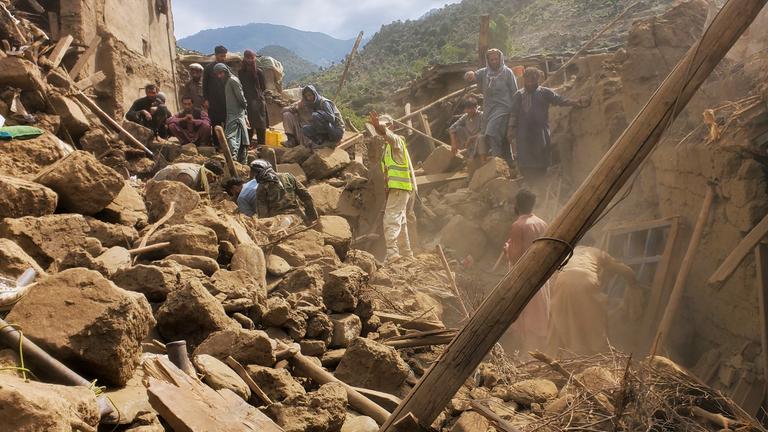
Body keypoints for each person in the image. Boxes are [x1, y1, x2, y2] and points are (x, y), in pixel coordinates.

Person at [546, 246, 637, 356]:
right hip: (586, 280)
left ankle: (559, 355)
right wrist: (634, 285)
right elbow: (624, 270)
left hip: (562, 281)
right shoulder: (597, 252)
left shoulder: (568, 254)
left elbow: (552, 278)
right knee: (596, 322)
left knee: (560, 319)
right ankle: (598, 355)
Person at [509, 67, 587, 187]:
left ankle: (541, 183)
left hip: (540, 131)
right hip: (523, 133)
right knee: (525, 158)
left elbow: (560, 100)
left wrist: (575, 102)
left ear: (538, 80)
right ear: (524, 79)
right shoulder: (518, 95)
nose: (531, 82)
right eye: (528, 80)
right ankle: (530, 184)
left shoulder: (545, 92)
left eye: (534, 80)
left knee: (541, 156)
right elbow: (513, 114)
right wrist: (511, 129)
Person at [501, 189, 551, 354]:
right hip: (540, 275)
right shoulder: (542, 223)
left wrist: (507, 248)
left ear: (517, 205)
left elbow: (515, 257)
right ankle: (540, 352)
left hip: (523, 277)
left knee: (526, 315)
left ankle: (529, 357)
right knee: (540, 313)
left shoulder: (518, 225)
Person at [369, 112, 416, 262]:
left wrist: (379, 128)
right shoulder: (387, 149)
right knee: (400, 221)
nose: (382, 129)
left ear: (392, 127)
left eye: (385, 125)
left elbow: (388, 135)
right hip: (398, 189)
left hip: (400, 187)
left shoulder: (397, 142)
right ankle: (407, 253)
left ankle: (393, 254)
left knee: (390, 220)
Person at [464, 49, 518, 169]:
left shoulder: (507, 72)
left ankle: (497, 162)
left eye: (496, 59)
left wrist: (515, 110)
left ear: (500, 59)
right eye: (491, 59)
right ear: (488, 60)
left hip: (504, 108)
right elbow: (471, 77)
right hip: (489, 110)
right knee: (502, 136)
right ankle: (508, 161)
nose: (494, 61)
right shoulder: (484, 72)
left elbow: (515, 91)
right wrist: (469, 74)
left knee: (492, 132)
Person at [251, 159, 318, 223]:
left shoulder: (261, 188)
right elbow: (306, 196)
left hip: (278, 221)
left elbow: (263, 214)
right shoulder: (288, 176)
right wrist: (312, 218)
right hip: (298, 217)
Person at [213, 63, 250, 163]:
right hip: (232, 113)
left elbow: (241, 98)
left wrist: (244, 110)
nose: (219, 76)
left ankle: (235, 159)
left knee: (231, 136)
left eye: (221, 73)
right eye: (218, 74)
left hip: (236, 113)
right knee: (238, 137)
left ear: (225, 71)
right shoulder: (228, 81)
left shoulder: (233, 81)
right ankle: (238, 160)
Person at [239, 49, 269, 146]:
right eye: (251, 58)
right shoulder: (257, 72)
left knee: (250, 127)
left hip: (252, 103)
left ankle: (246, 149)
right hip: (255, 102)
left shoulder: (241, 72)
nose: (252, 60)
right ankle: (261, 148)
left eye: (253, 58)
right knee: (259, 127)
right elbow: (263, 87)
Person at [449, 95, 484, 172]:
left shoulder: (481, 115)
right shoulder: (466, 117)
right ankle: (468, 152)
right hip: (470, 143)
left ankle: (482, 159)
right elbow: (452, 128)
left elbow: (484, 131)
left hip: (480, 141)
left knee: (481, 137)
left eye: (471, 108)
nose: (469, 111)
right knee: (458, 129)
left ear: (476, 107)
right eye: (467, 109)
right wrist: (453, 143)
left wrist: (471, 138)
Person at [203, 46, 228, 141]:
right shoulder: (209, 68)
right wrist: (206, 99)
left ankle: (227, 145)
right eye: (221, 56)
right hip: (213, 102)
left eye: (225, 56)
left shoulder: (227, 68)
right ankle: (217, 145)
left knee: (227, 124)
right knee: (215, 123)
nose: (223, 58)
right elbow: (205, 85)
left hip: (225, 101)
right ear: (216, 55)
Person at [153, 160, 224, 191]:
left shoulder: (200, 170)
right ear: (207, 173)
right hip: (155, 186)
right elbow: (177, 193)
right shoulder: (188, 177)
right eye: (214, 177)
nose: (214, 181)